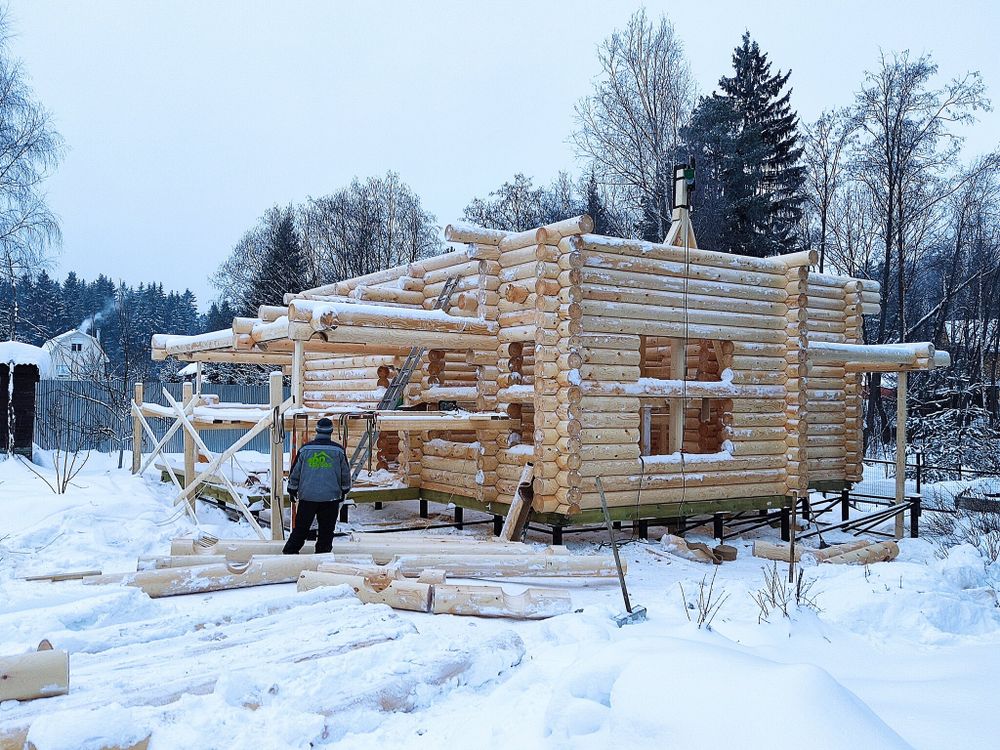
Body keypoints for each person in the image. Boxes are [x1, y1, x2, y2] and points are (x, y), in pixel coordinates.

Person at [282, 417, 351, 554]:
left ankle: (289, 554)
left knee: (301, 529)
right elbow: (345, 475)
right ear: (331, 432)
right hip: (330, 498)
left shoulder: (305, 449)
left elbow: (295, 473)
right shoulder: (339, 451)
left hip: (307, 497)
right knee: (326, 532)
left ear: (317, 431)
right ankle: (322, 558)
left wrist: (292, 490)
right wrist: (344, 490)